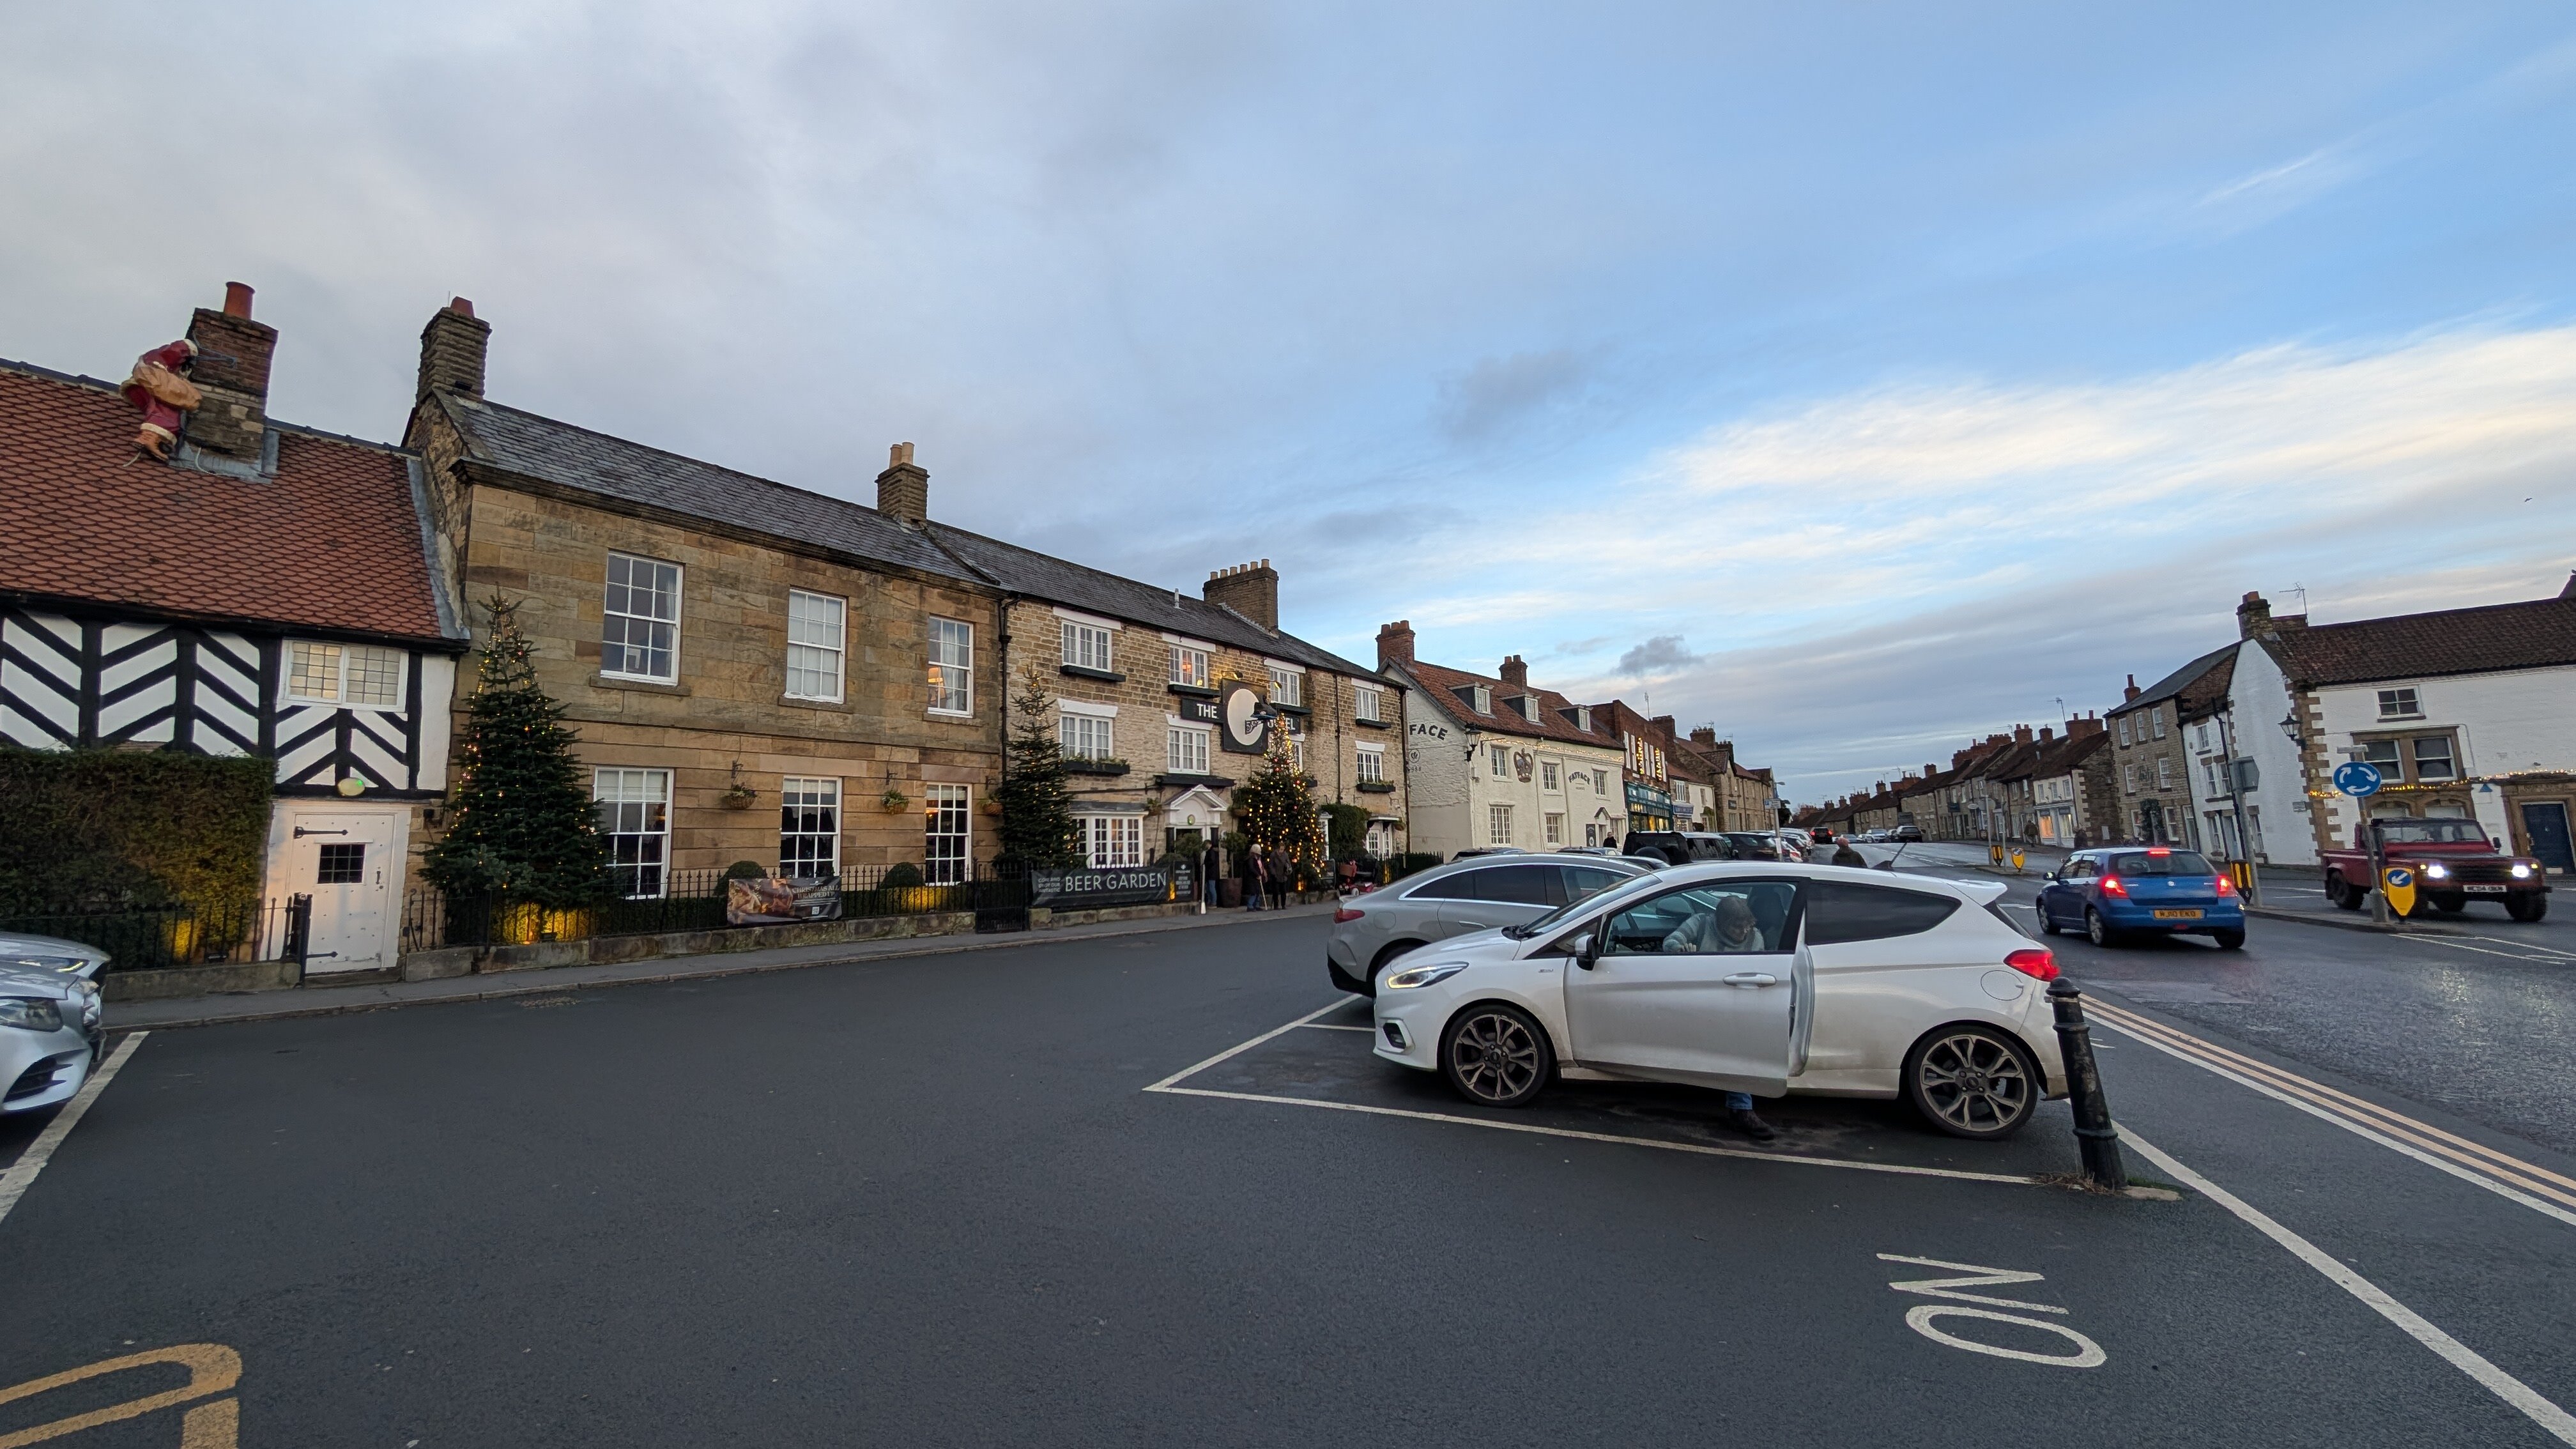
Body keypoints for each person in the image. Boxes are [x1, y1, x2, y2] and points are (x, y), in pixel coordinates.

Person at [1241, 841, 1266, 910]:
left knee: (1257, 892)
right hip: (1252, 878)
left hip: (1256, 878)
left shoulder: (1256, 859)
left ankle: (1256, 905)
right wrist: (1257, 874)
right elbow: (1251, 868)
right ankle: (1250, 906)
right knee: (1254, 892)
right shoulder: (1251, 859)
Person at [1265, 846, 1291, 910]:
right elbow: (1271, 865)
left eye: (1283, 849)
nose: (1282, 851)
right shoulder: (1273, 855)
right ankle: (1276, 906)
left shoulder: (1285, 855)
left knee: (1283, 891)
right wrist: (1273, 873)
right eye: (1281, 849)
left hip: (1283, 875)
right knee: (1275, 891)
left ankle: (1283, 905)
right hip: (1276, 875)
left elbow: (1288, 863)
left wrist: (1288, 869)